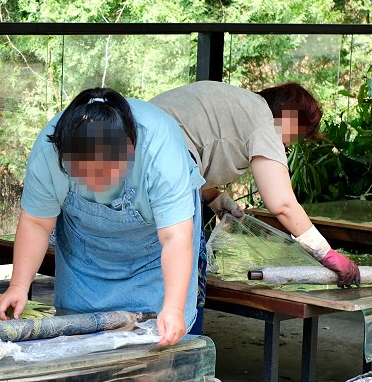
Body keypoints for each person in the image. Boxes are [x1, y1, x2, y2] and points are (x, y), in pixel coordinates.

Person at [0, 87, 204, 382]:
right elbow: (38, 223)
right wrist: (18, 285)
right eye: (81, 173)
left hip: (156, 248)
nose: (93, 182)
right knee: (78, 324)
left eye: (104, 173)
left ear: (128, 152)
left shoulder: (160, 148)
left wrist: (171, 307)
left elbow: (175, 237)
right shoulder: (50, 147)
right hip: (87, 245)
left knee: (150, 334)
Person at [149, 81, 361, 330]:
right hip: (166, 163)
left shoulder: (237, 106)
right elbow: (282, 204)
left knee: (145, 266)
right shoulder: (264, 121)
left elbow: (189, 145)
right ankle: (181, 349)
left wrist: (214, 198)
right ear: (291, 116)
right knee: (187, 270)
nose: (289, 145)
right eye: (298, 135)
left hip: (129, 155)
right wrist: (326, 253)